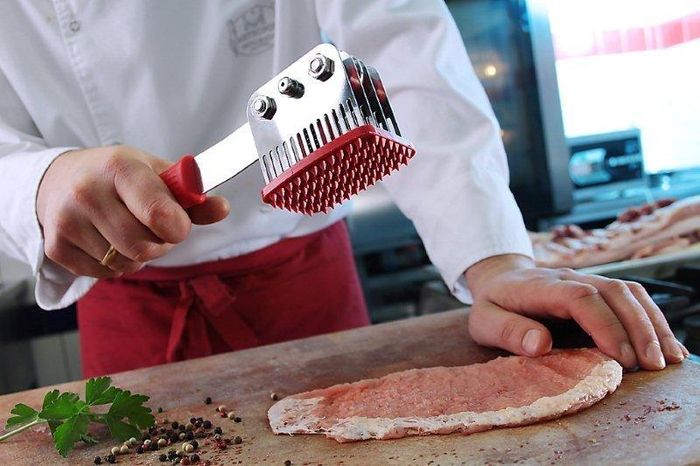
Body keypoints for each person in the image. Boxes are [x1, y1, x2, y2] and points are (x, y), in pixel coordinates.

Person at [0, 1, 687, 377]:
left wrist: (495, 260)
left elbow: (403, 52)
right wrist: (41, 182)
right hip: (126, 307)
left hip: (306, 292)